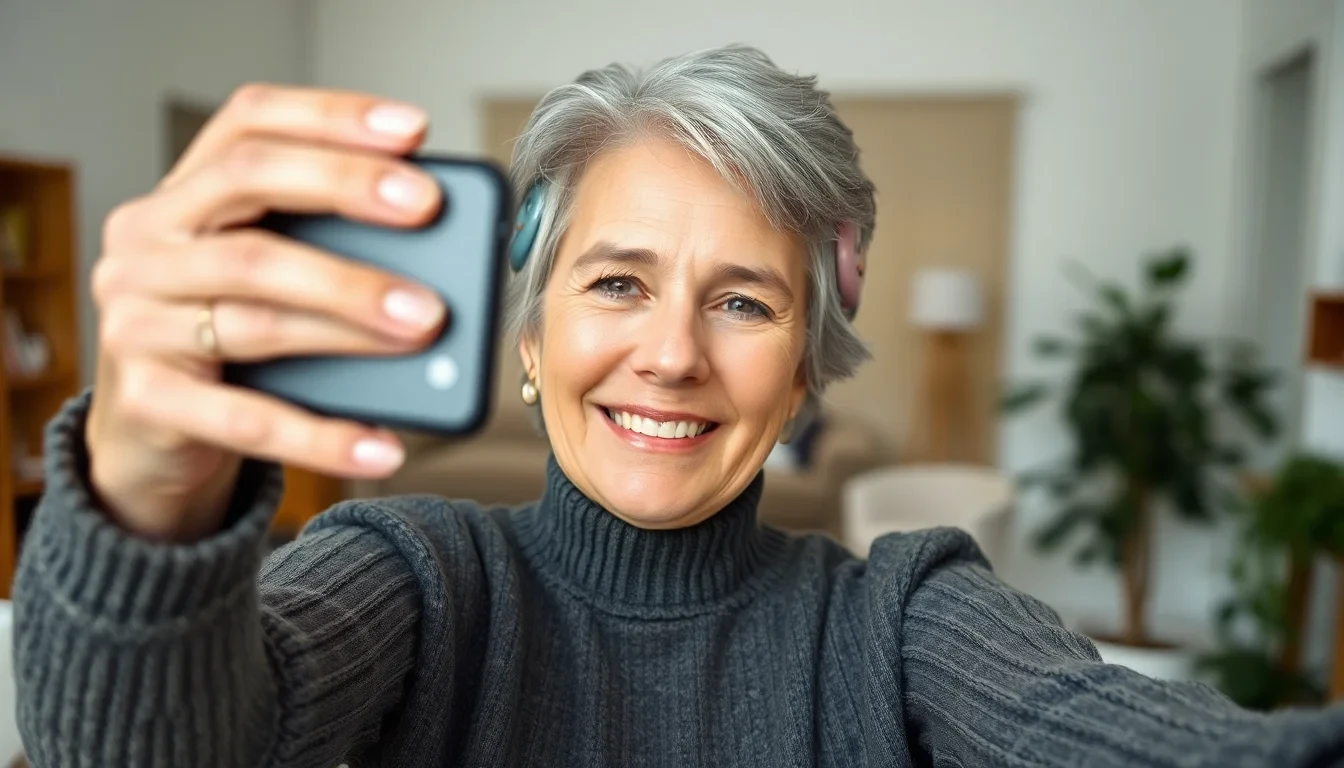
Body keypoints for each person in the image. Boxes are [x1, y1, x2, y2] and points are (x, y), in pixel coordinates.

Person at [12, 44, 1344, 768]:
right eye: (616, 282)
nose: (670, 355)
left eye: (745, 303)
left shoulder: (903, 620)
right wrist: (147, 486)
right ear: (529, 339)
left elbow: (1119, 739)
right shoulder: (415, 573)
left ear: (810, 364)